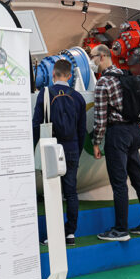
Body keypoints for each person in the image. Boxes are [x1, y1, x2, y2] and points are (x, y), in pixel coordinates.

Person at [90, 45, 140, 241]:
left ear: (102, 56)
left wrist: (96, 142)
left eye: (93, 57)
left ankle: (120, 229)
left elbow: (100, 118)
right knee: (138, 179)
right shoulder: (126, 76)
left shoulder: (103, 83)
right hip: (134, 131)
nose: (91, 61)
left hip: (117, 134)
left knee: (119, 183)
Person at [32, 59, 87, 246]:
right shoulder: (78, 97)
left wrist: (33, 148)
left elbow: (36, 124)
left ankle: (54, 235)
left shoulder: (45, 93)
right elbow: (82, 130)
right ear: (70, 76)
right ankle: (70, 233)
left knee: (52, 193)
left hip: (51, 148)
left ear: (53, 74)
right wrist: (77, 151)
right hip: (71, 148)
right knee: (71, 193)